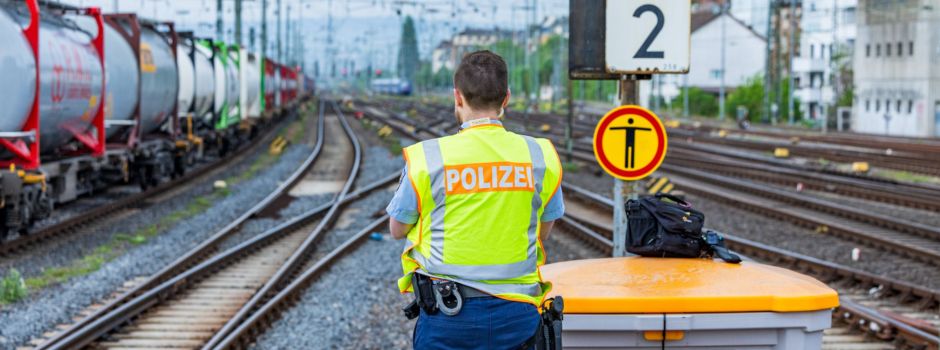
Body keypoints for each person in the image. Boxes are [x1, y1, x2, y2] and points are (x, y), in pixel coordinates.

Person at [386, 50, 565, 349]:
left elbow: (397, 229)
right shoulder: (539, 156)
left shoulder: (429, 158)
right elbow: (543, 231)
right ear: (506, 98)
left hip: (448, 315)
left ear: (457, 97)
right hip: (517, 315)